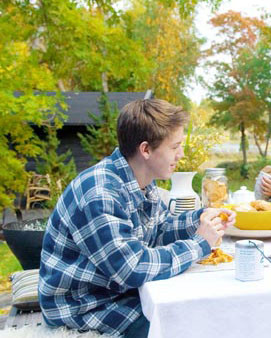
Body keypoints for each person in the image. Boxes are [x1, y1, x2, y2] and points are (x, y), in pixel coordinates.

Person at [38, 99, 235, 337]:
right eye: (175, 147)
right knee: (184, 325)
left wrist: (200, 218)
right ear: (146, 150)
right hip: (86, 304)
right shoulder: (100, 192)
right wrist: (199, 244)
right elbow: (132, 268)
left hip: (116, 291)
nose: (180, 154)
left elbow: (159, 229)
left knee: (206, 310)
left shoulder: (140, 181)